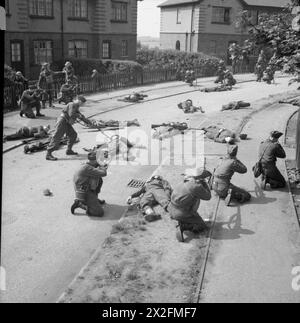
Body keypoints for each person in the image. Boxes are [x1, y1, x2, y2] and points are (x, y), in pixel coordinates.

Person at [168, 168, 212, 238]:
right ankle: (183, 226)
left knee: (193, 200)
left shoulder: (186, 180)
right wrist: (205, 184)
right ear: (201, 178)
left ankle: (182, 220)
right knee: (203, 227)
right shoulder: (196, 186)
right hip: (181, 212)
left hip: (170, 208)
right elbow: (208, 197)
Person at [46, 96, 87, 161]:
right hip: (62, 121)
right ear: (79, 100)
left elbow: (79, 115)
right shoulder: (72, 104)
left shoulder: (76, 106)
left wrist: (88, 122)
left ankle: (69, 150)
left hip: (67, 122)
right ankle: (48, 154)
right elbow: (71, 114)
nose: (82, 104)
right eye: (82, 103)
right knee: (57, 137)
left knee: (73, 135)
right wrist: (79, 116)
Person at [71, 151, 108, 217]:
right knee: (99, 213)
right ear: (95, 160)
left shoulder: (88, 165)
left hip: (86, 187)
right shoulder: (87, 168)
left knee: (99, 179)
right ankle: (80, 204)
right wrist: (103, 166)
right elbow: (104, 173)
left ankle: (94, 198)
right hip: (83, 192)